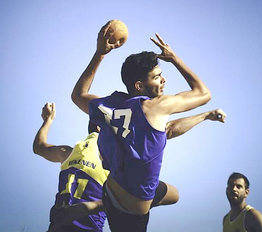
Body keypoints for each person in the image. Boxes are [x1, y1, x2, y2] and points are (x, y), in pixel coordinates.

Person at [72, 21, 225, 231]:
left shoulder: (108, 106)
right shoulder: (156, 107)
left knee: (174, 194)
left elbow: (78, 95)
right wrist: (174, 59)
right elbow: (203, 93)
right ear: (139, 86)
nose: (163, 80)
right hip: (127, 214)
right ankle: (94, 207)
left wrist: (100, 54)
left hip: (113, 189)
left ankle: (100, 204)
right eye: (156, 77)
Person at [33, 102, 109, 232]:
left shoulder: (69, 153)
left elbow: (39, 147)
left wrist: (48, 120)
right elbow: (39, 148)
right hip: (70, 226)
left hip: (74, 226)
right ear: (99, 128)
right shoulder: (111, 160)